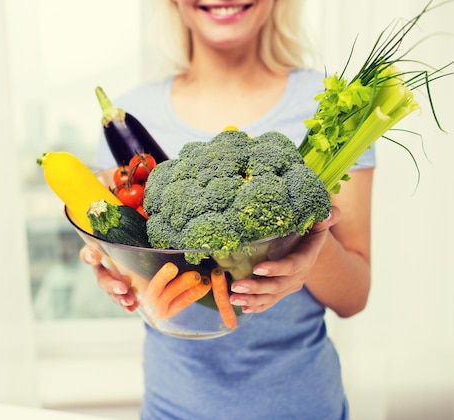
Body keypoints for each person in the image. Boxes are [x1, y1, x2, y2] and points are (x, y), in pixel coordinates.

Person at [80, 1, 374, 418]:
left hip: (304, 406)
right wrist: (114, 265)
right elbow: (136, 273)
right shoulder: (129, 118)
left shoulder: (331, 106)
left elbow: (354, 297)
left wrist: (306, 238)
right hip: (173, 408)